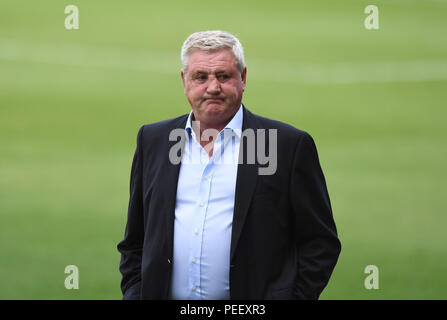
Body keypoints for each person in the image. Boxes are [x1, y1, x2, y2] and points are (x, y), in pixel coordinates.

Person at [117, 30, 341, 300]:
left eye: (223, 76)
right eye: (201, 77)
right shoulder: (154, 141)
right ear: (184, 80)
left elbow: (320, 242)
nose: (213, 87)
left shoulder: (285, 146)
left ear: (243, 78)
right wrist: (135, 293)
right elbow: (135, 241)